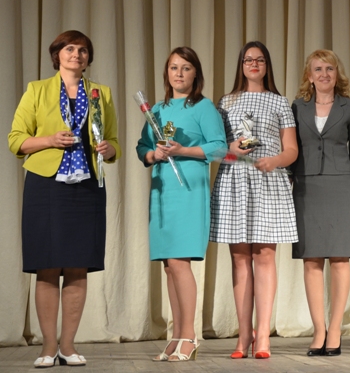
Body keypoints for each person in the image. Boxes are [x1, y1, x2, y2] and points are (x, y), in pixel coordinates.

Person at [8, 30, 120, 368]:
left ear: (88, 58)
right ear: (57, 54)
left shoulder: (101, 93)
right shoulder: (37, 90)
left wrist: (108, 149)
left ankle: (68, 346)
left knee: (77, 265)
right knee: (46, 266)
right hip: (46, 185)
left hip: (87, 186)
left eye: (83, 50)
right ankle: (47, 347)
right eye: (69, 48)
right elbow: (16, 140)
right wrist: (49, 140)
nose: (76, 54)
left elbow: (113, 141)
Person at [136, 47, 227, 362]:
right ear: (167, 73)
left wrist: (182, 151)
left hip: (189, 190)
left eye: (186, 68)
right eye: (174, 67)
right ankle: (176, 336)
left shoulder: (203, 107)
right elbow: (143, 147)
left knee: (179, 262)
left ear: (195, 73)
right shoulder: (157, 109)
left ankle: (189, 335)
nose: (179, 73)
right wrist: (155, 154)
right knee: (169, 266)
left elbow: (219, 148)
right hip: (163, 191)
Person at [210, 41, 298, 359]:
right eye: (248, 59)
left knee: (264, 256)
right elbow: (215, 148)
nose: (254, 64)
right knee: (239, 258)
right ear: (241, 65)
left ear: (267, 65)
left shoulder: (279, 101)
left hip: (268, 180)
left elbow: (291, 150)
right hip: (235, 179)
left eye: (259, 59)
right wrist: (231, 148)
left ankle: (263, 336)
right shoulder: (226, 101)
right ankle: (243, 334)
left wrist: (275, 160)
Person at [290, 49, 350, 356]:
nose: (324, 74)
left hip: (340, 186)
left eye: (330, 69)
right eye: (318, 69)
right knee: (311, 259)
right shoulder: (297, 106)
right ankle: (318, 330)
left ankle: (335, 329)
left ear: (337, 74)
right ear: (309, 76)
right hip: (305, 187)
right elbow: (291, 148)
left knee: (339, 258)